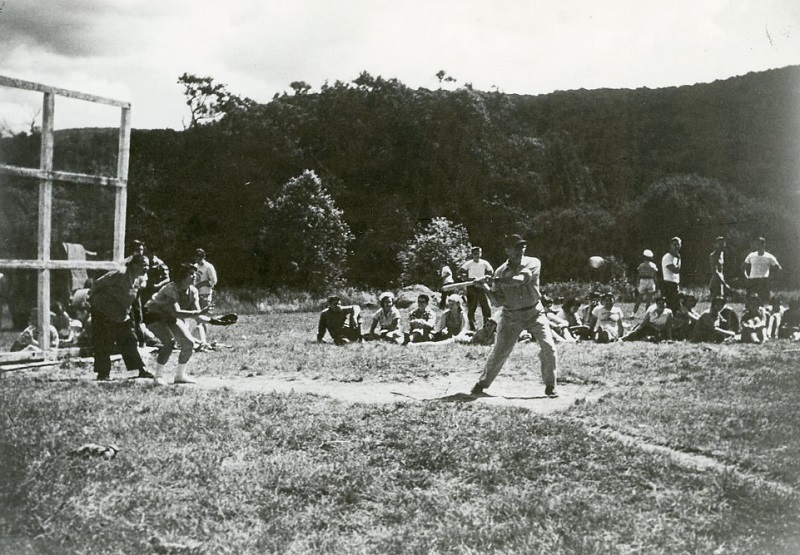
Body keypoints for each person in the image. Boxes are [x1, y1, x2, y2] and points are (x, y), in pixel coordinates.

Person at [470, 234, 558, 398]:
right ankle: (482, 383)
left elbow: (520, 280)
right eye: (516, 248)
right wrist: (485, 287)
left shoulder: (533, 263)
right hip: (511, 317)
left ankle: (550, 386)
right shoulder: (500, 271)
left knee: (549, 347)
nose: (520, 251)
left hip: (535, 313)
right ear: (507, 250)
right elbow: (497, 302)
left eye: (522, 247)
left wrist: (495, 280)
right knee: (499, 352)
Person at [144, 263, 211, 385]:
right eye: (190, 274)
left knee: (189, 343)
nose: (194, 276)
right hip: (153, 315)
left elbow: (198, 316)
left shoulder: (193, 290)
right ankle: (158, 377)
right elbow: (176, 312)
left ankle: (180, 376)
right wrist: (198, 312)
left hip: (169, 317)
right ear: (181, 276)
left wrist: (215, 320)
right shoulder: (171, 288)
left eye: (194, 273)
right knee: (169, 342)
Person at [88, 254, 152, 381]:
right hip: (102, 310)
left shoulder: (138, 280)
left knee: (130, 339)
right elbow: (97, 284)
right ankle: (103, 373)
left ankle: (141, 369)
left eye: (147, 265)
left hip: (120, 313)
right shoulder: (118, 274)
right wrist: (92, 299)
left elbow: (133, 299)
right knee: (104, 341)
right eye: (143, 264)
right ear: (133, 265)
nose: (146, 268)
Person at [459, 246, 494, 331]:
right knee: (472, 307)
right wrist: (468, 279)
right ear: (472, 254)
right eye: (475, 253)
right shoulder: (469, 263)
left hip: (482, 286)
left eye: (479, 253)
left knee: (486, 307)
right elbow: (460, 272)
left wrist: (486, 277)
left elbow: (491, 271)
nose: (477, 255)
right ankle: (472, 326)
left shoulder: (484, 263)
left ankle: (487, 326)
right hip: (472, 286)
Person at [742, 237, 782, 305]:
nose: (758, 246)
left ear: (764, 245)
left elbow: (778, 268)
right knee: (750, 300)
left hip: (763, 281)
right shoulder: (751, 255)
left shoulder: (769, 257)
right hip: (752, 281)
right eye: (756, 244)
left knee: (763, 301)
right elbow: (743, 267)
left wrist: (771, 278)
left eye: (759, 244)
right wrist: (746, 277)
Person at [194, 248, 218, 349]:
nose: (197, 259)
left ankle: (204, 340)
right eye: (196, 257)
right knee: (196, 317)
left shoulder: (208, 267)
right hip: (195, 294)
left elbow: (214, 281)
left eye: (199, 257)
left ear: (203, 257)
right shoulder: (194, 266)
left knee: (203, 317)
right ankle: (199, 339)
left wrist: (202, 284)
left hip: (205, 294)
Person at [632, 249, 659, 316]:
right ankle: (647, 315)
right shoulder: (653, 265)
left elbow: (639, 275)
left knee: (639, 299)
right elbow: (655, 275)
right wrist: (656, 283)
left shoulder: (641, 265)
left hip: (643, 281)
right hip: (650, 281)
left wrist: (637, 282)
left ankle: (633, 314)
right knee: (648, 301)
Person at [661, 237, 682, 313]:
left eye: (678, 244)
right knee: (671, 306)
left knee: (675, 306)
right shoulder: (667, 257)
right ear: (670, 245)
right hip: (668, 284)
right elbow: (675, 270)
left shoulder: (675, 257)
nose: (676, 246)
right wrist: (679, 259)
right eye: (674, 244)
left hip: (674, 284)